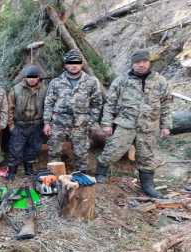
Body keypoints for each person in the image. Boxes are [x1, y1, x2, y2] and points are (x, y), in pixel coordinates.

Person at [95, 49, 172, 199]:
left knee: (147, 157)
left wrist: (166, 126)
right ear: (133, 64)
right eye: (138, 62)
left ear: (149, 62)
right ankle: (100, 173)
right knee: (112, 150)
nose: (141, 65)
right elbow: (109, 104)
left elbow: (167, 105)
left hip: (148, 126)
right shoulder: (121, 81)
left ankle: (147, 186)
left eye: (144, 61)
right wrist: (107, 124)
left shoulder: (160, 81)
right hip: (125, 124)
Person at [43, 49, 103, 173]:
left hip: (80, 124)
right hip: (58, 123)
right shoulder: (56, 82)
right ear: (65, 65)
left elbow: (97, 103)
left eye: (77, 62)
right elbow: (49, 103)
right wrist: (47, 122)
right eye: (70, 63)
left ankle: (80, 177)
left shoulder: (91, 82)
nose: (74, 65)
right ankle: (54, 176)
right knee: (54, 150)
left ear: (81, 64)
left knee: (81, 152)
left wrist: (90, 121)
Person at [6, 65, 47, 180]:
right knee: (15, 148)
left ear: (39, 78)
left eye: (35, 77)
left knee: (33, 148)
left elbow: (48, 106)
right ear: (26, 77)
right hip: (20, 124)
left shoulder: (44, 89)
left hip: (36, 124)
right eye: (30, 77)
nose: (32, 79)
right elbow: (9, 108)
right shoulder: (16, 89)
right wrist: (11, 126)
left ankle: (28, 169)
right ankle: (12, 171)